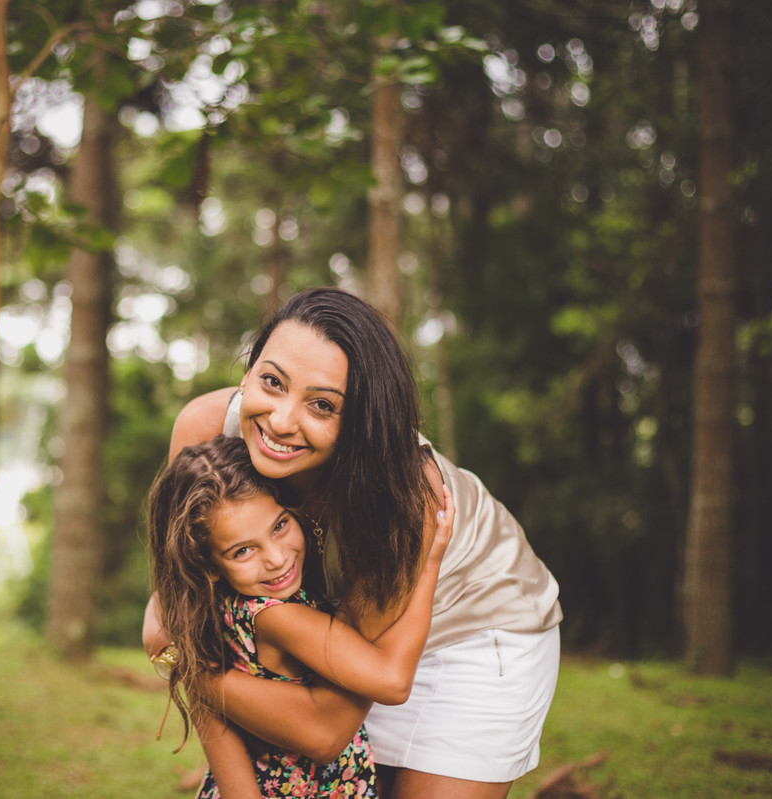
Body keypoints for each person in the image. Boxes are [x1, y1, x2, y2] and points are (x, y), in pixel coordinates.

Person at [146, 286, 562, 799]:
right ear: (248, 373)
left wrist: (187, 665)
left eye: (322, 405)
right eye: (272, 382)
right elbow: (187, 618)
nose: (280, 421)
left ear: (363, 421)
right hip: (341, 635)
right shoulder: (206, 433)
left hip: (476, 626)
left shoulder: (404, 499)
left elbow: (323, 730)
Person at [147, 434, 453, 799]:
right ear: (208, 564)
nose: (275, 558)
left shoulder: (217, 610)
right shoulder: (275, 617)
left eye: (279, 526)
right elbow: (392, 680)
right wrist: (428, 563)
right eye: (243, 550)